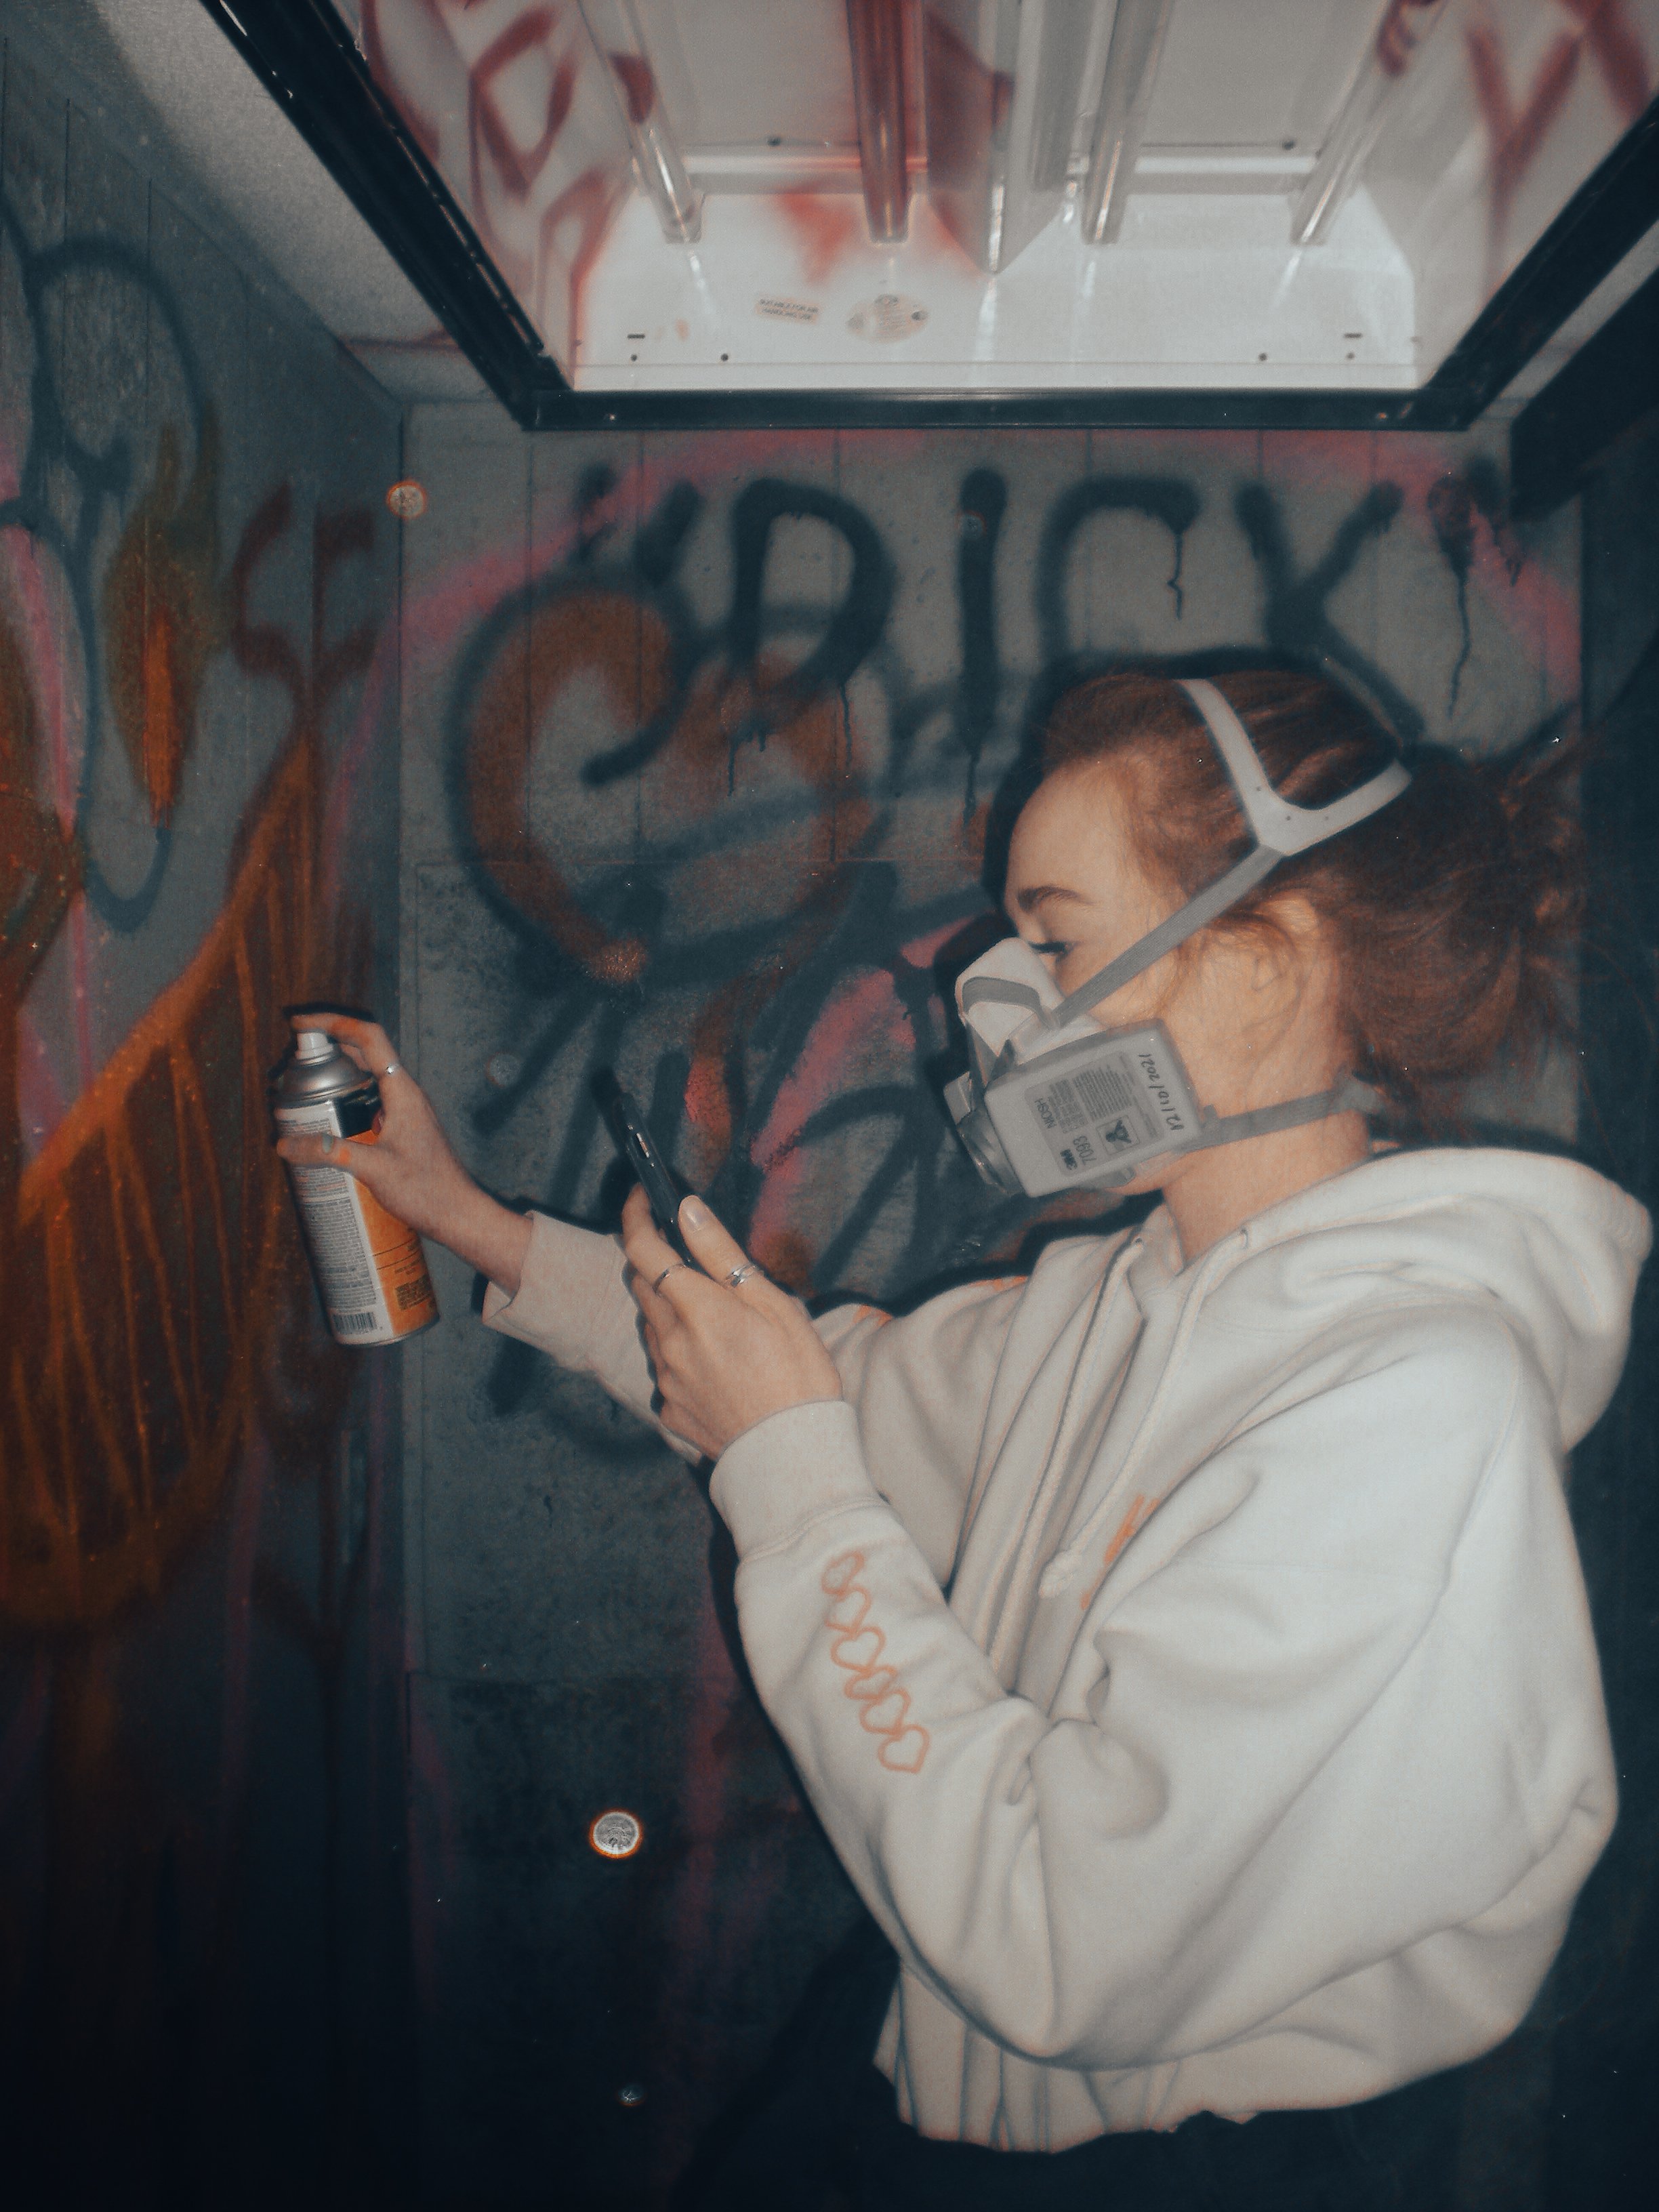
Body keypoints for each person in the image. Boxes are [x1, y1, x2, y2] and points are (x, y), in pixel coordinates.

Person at [277, 668, 1649, 2210]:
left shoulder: (1408, 1403)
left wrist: (792, 1477)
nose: (998, 997)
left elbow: (1065, 1938)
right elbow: (830, 1391)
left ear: (1262, 967)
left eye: (1056, 941)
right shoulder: (1122, 1299)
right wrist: (471, 1220)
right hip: (949, 2099)